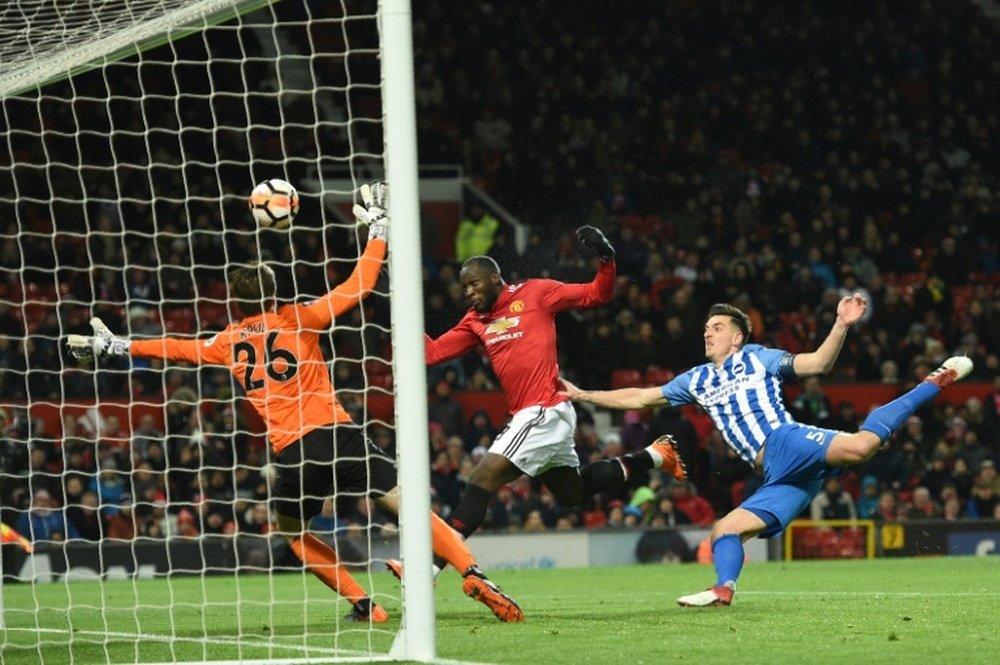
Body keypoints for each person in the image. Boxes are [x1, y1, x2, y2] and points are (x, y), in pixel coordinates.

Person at [67, 183, 522, 623]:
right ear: (273, 292)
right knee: (410, 509)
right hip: (341, 435)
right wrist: (378, 227)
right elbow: (360, 285)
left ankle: (365, 605)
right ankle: (473, 572)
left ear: (236, 300)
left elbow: (173, 347)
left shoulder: (226, 342)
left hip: (294, 452)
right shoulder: (300, 318)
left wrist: (117, 347)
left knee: (292, 531)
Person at [561, 296, 974, 607]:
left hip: (784, 440)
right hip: (777, 472)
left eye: (717, 327)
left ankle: (934, 382)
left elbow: (815, 365)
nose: (708, 332)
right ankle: (724, 589)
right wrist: (584, 394)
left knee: (863, 446)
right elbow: (640, 396)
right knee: (724, 530)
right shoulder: (697, 379)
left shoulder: (757, 358)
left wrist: (840, 325)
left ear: (737, 337)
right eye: (706, 327)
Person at [422, 226, 685, 570]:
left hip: (544, 409)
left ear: (495, 278)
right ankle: (654, 455)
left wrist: (606, 261)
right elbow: (431, 353)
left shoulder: (536, 293)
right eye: (464, 287)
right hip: (534, 416)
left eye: (474, 284)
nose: (469, 292)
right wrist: (395, 303)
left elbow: (596, 295)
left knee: (479, 480)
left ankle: (427, 570)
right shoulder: (475, 321)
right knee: (572, 493)